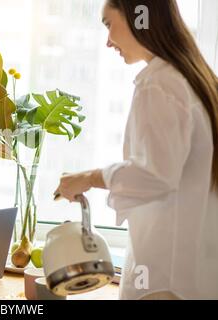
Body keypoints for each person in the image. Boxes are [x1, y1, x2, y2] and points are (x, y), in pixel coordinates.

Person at [54, 0, 218, 300]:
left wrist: (89, 177)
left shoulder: (159, 84)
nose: (107, 41)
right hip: (193, 277)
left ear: (136, 14)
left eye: (108, 24)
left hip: (163, 281)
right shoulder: (193, 79)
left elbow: (155, 175)